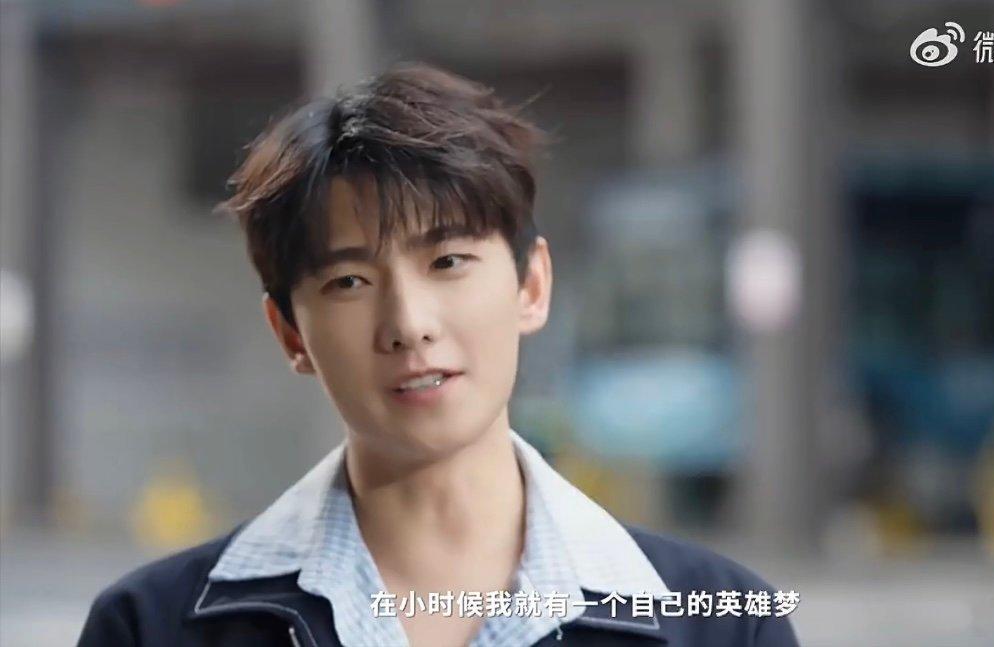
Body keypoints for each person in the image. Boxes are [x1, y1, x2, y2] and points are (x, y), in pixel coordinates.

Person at [77, 62, 800, 647]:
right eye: (349, 281)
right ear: (291, 333)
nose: (409, 324)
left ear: (532, 285)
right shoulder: (152, 627)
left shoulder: (722, 626)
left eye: (448, 261)